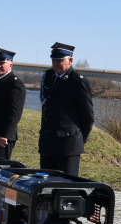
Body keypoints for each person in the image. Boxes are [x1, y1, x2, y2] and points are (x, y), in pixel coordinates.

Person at [39, 42, 94, 175]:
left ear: (70, 60)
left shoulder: (77, 82)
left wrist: (79, 137)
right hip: (48, 143)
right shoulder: (49, 77)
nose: (56, 63)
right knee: (46, 188)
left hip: (68, 145)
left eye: (60, 60)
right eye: (54, 60)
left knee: (65, 187)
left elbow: (88, 117)